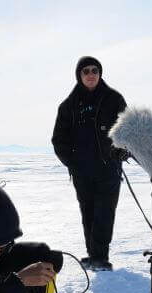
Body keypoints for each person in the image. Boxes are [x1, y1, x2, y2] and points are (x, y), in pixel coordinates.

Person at [51, 56, 128, 271]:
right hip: (82, 172)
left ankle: (100, 257)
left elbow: (128, 129)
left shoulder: (114, 99)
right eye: (86, 71)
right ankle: (92, 255)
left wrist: (120, 152)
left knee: (104, 212)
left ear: (100, 73)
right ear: (79, 75)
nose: (91, 74)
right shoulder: (68, 106)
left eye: (95, 70)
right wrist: (72, 164)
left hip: (108, 169)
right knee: (88, 212)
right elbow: (58, 140)